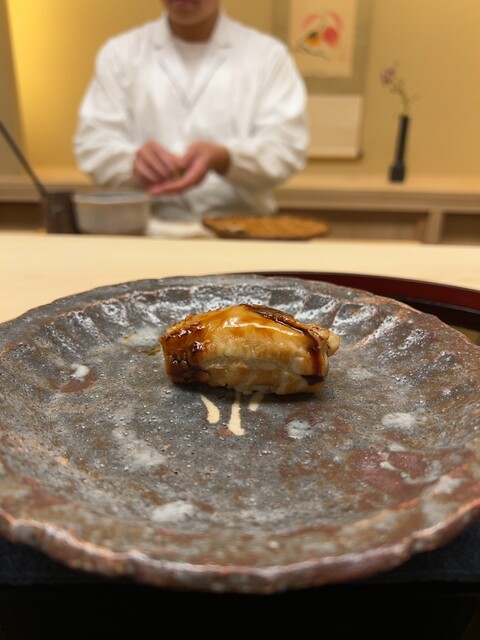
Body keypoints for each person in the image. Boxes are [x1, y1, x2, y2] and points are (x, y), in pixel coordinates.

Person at [74, 0, 309, 237]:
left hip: (243, 234)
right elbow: (93, 144)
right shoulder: (120, 54)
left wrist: (224, 158)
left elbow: (286, 147)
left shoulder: (268, 56)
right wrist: (132, 163)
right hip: (144, 231)